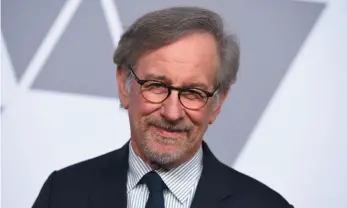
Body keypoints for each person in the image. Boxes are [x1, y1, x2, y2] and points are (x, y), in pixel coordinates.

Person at [32, 6, 294, 208]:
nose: (172, 113)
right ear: (125, 86)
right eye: (156, 86)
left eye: (193, 92)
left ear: (217, 103)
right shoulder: (62, 194)